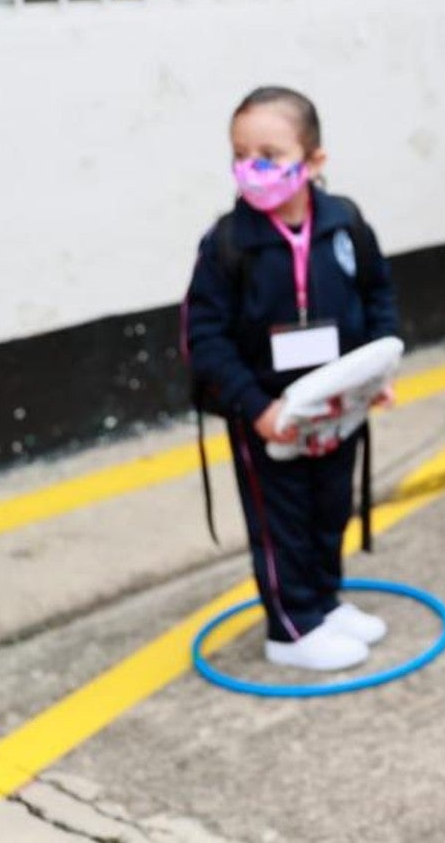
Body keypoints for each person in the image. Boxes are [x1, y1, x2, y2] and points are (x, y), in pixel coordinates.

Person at [185, 86, 398, 672]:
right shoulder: (227, 244)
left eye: (271, 154)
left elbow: (378, 294)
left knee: (330, 509)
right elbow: (204, 338)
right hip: (268, 417)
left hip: (338, 407)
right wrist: (257, 409)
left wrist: (377, 370)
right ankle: (291, 626)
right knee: (281, 523)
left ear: (314, 162)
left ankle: (323, 602)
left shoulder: (344, 224)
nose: (255, 168)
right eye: (241, 152)